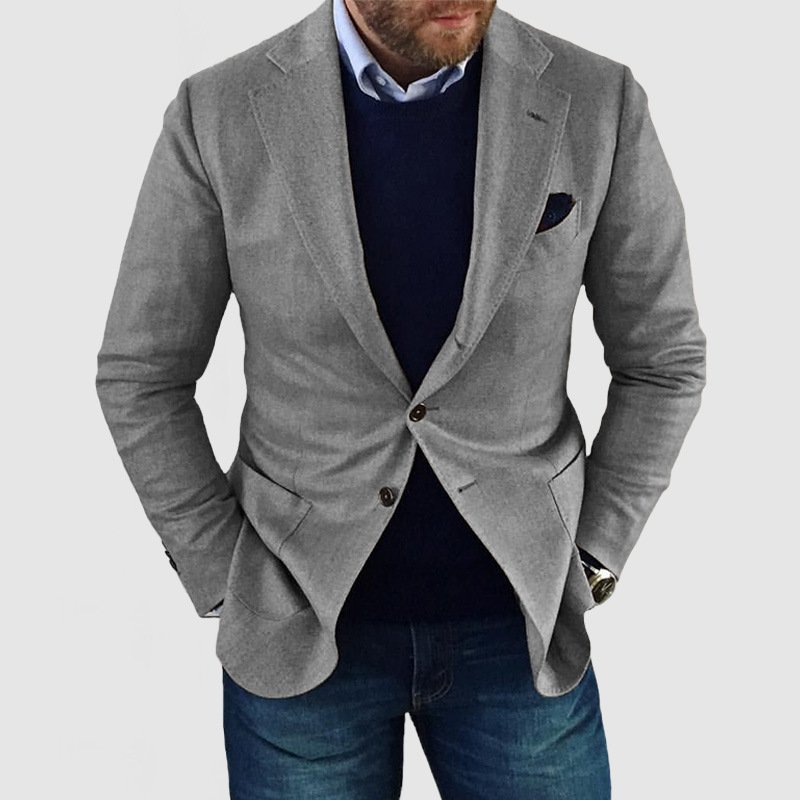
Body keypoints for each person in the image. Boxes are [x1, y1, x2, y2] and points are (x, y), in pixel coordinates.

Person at [95, 0, 706, 797]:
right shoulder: (219, 113)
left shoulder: (597, 100)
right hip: (298, 633)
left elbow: (663, 358)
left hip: (521, 631)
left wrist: (594, 556)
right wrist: (222, 576)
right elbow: (143, 373)